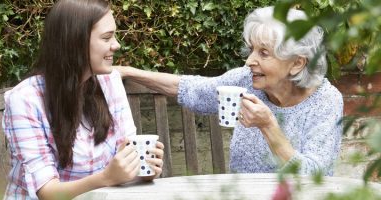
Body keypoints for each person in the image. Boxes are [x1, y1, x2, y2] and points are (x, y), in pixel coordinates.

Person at [116, 6, 343, 176]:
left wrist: (268, 126)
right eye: (252, 49)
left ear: (297, 63)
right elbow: (192, 89)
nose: (249, 60)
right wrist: (129, 72)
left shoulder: (325, 101)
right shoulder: (246, 80)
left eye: (264, 53)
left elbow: (315, 176)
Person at [2, 0, 164, 199]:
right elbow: (47, 192)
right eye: (107, 38)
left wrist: (142, 168)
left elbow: (124, 158)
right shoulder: (25, 100)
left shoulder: (109, 82)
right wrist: (106, 178)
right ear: (75, 42)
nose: (116, 45)